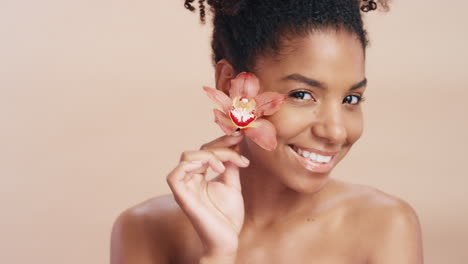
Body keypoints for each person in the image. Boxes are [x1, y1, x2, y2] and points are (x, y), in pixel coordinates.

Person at [110, 0, 424, 263]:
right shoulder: (145, 229)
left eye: (351, 99)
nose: (336, 131)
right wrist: (218, 254)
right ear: (229, 85)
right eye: (302, 95)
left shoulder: (385, 226)